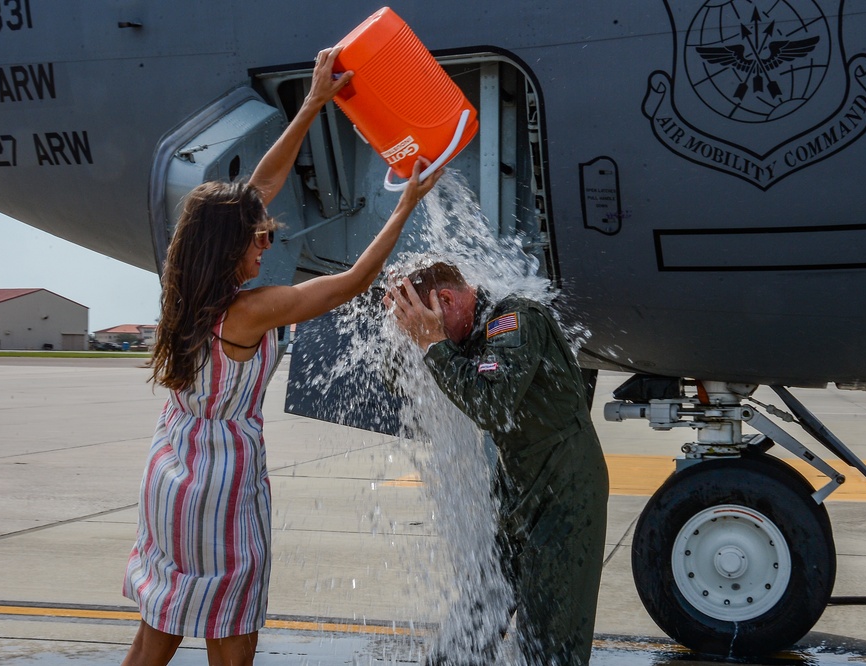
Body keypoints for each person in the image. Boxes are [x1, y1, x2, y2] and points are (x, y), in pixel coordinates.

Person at [120, 46, 442, 666]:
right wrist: (403, 207)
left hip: (171, 474)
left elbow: (256, 189)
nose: (265, 247)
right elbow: (348, 283)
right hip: (219, 486)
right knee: (233, 636)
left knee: (157, 631)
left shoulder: (185, 290)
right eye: (258, 240)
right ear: (230, 247)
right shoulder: (247, 310)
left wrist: (314, 104)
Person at [384, 262, 608, 665]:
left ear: (447, 300)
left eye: (418, 319)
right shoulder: (470, 328)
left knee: (549, 640)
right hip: (516, 488)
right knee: (473, 620)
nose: (416, 333)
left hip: (564, 491)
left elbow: (491, 405)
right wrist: (418, 337)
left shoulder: (515, 320)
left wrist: (435, 344)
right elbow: (406, 381)